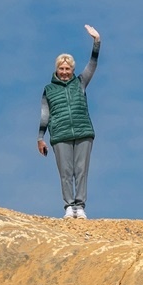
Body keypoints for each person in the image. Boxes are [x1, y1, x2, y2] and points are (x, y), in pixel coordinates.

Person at [38, 25, 101, 219]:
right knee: (66, 172)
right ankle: (68, 206)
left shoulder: (80, 82)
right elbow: (44, 114)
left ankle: (80, 206)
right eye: (61, 69)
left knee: (81, 170)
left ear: (72, 70)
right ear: (56, 70)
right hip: (60, 134)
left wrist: (96, 42)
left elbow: (92, 64)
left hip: (83, 132)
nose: (64, 72)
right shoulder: (49, 90)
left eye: (68, 69)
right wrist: (40, 137)